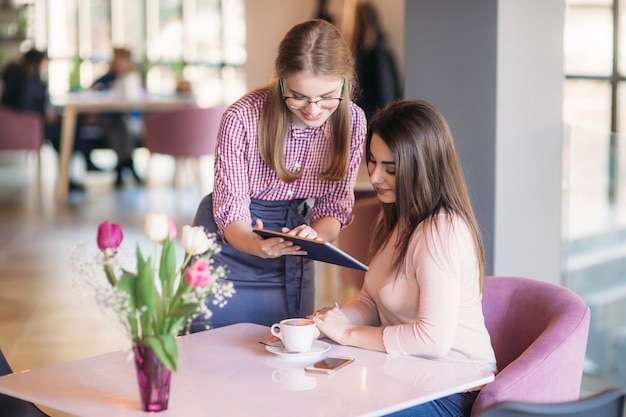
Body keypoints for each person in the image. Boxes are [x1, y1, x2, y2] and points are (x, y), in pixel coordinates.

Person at [310, 100, 497, 417]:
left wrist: (349, 334)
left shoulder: (442, 230)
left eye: (391, 168)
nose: (376, 176)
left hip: (453, 390)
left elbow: (433, 340)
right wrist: (328, 322)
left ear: (422, 167)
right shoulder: (395, 218)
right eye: (372, 161)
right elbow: (373, 299)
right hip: (406, 375)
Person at [191, 19, 367, 331]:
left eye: (326, 95)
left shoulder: (352, 120)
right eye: (298, 95)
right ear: (280, 80)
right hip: (230, 245)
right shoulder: (242, 118)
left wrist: (316, 236)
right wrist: (255, 243)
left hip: (295, 244)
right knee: (213, 359)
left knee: (287, 358)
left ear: (344, 81)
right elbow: (231, 209)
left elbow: (333, 206)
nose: (312, 109)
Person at [0, 48, 96, 190]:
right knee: (67, 132)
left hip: (29, 123)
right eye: (45, 62)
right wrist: (45, 116)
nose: (46, 65)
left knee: (68, 129)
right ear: (37, 62)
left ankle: (71, 173)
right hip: (28, 126)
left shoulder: (23, 76)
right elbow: (26, 105)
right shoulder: (25, 78)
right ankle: (81, 163)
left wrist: (48, 114)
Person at [89, 47, 142, 187]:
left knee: (125, 125)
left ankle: (121, 166)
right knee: (117, 126)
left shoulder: (132, 77)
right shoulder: (109, 76)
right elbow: (93, 87)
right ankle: (127, 164)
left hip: (128, 118)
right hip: (110, 119)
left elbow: (139, 100)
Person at [352, 1, 401, 120]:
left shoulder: (376, 54)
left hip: (375, 114)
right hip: (375, 113)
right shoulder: (382, 51)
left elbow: (387, 89)